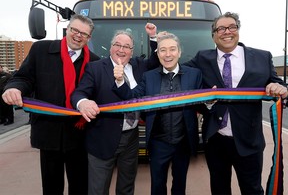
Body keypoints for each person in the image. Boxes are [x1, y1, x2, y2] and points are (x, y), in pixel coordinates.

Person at [148, 12, 288, 194]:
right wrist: (158, 44)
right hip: (215, 141)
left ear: (238, 30)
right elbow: (171, 66)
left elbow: (279, 84)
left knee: (252, 189)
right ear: (213, 35)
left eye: (231, 27)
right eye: (220, 28)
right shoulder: (202, 58)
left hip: (249, 141)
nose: (226, 32)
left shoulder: (262, 57)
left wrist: (281, 88)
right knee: (219, 189)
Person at [2, 14, 100, 195]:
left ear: (89, 38)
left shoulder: (95, 61)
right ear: (67, 30)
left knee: (80, 186)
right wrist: (14, 88)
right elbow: (23, 77)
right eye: (75, 30)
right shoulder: (41, 50)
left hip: (80, 135)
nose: (78, 36)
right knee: (51, 187)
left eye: (84, 34)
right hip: (49, 133)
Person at [70, 26, 160, 195]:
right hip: (102, 138)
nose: (121, 50)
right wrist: (82, 103)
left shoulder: (139, 65)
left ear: (132, 52)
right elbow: (79, 92)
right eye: (117, 45)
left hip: (131, 137)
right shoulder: (95, 68)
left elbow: (156, 61)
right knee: (98, 189)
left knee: (127, 186)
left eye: (126, 47)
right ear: (110, 47)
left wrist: (153, 37)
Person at [113, 33, 205, 195]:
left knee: (180, 185)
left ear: (179, 52)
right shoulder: (149, 77)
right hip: (158, 143)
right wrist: (120, 81)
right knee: (157, 186)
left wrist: (210, 101)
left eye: (172, 49)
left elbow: (203, 102)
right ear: (158, 54)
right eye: (162, 50)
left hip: (183, 142)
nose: (167, 54)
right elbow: (132, 97)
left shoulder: (194, 74)